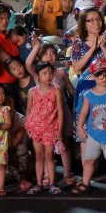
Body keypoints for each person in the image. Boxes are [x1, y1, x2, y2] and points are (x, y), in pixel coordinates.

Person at [73, 58, 106, 194]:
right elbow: (84, 112)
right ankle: (85, 182)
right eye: (99, 75)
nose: (104, 77)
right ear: (92, 76)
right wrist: (80, 127)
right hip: (93, 134)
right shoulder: (88, 95)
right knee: (89, 160)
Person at [24, 61, 65, 195]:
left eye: (50, 73)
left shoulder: (55, 90)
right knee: (38, 156)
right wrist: (28, 126)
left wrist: (59, 130)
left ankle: (52, 183)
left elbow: (60, 111)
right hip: (36, 128)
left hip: (50, 128)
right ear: (38, 75)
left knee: (49, 156)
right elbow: (29, 110)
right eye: (44, 73)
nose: (48, 76)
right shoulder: (32, 91)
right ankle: (39, 184)